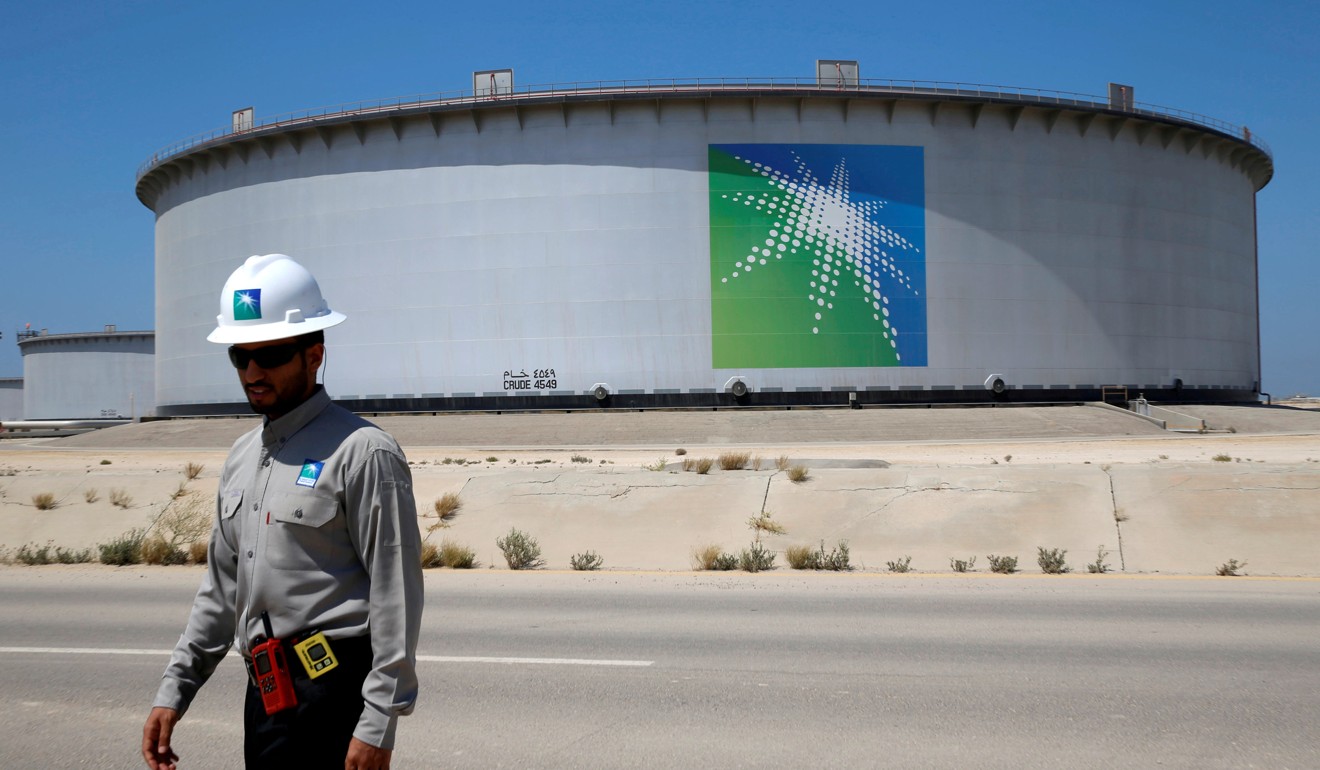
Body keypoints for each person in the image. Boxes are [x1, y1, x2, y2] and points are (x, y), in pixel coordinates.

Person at [142, 254, 423, 770]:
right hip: (268, 696)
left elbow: (395, 594)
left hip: (335, 695)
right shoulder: (242, 457)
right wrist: (174, 688)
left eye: (269, 354)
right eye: (239, 356)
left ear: (313, 354)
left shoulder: (363, 452)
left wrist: (379, 719)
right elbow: (221, 588)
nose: (252, 372)